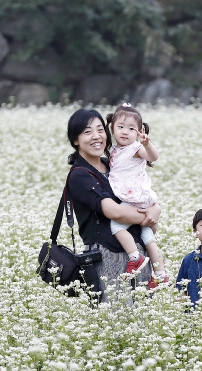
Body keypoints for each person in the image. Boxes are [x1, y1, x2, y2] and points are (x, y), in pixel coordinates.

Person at [63, 108, 161, 302]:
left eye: (100, 130)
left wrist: (156, 208)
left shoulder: (113, 164)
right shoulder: (80, 174)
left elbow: (139, 194)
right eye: (87, 132)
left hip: (137, 256)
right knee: (117, 320)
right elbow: (114, 211)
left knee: (140, 323)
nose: (96, 136)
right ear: (75, 140)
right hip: (108, 257)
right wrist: (150, 216)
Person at [105, 103, 169, 288]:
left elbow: (153, 157)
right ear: (112, 128)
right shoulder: (115, 150)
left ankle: (135, 257)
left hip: (133, 197)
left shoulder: (135, 148)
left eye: (131, 129)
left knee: (117, 226)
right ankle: (161, 274)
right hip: (136, 198)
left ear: (139, 131)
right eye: (121, 127)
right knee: (148, 236)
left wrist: (147, 143)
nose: (125, 132)